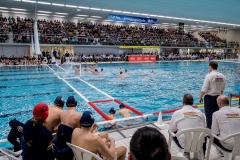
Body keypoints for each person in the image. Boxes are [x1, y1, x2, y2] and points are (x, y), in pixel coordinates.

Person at [169, 94, 206, 158]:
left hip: (184, 145)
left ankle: (186, 153)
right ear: (192, 103)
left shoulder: (177, 113)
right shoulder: (199, 112)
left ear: (183, 102)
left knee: (171, 131)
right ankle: (202, 153)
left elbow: (171, 129)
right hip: (199, 143)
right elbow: (205, 126)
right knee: (203, 132)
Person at [199, 61, 226, 128]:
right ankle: (216, 130)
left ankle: (210, 131)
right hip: (218, 97)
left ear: (210, 67)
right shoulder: (222, 76)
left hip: (209, 98)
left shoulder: (209, 76)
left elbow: (204, 88)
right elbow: (222, 89)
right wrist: (220, 96)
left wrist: (200, 97)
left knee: (209, 115)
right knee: (216, 114)